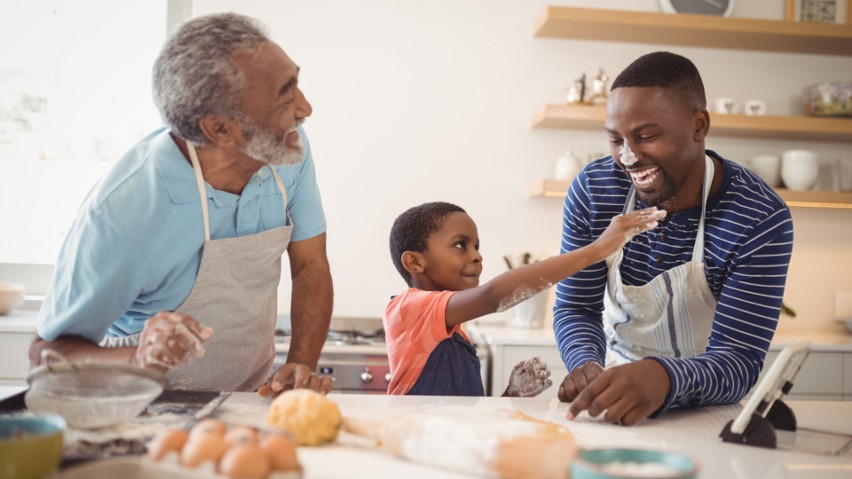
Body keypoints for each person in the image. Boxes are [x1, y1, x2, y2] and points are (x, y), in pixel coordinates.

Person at [28, 13, 333, 395]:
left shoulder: (287, 151)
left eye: (295, 82)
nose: (305, 108)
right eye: (285, 95)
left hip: (244, 402)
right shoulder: (122, 213)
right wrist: (139, 357)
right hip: (141, 413)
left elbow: (310, 266)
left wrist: (300, 363)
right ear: (220, 129)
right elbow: (45, 354)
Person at [554, 51, 795, 425]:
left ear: (699, 125)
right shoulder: (594, 191)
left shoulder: (758, 216)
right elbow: (576, 307)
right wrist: (586, 364)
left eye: (646, 136)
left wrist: (663, 377)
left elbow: (738, 359)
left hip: (709, 411)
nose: (628, 157)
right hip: (612, 400)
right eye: (616, 140)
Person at [385, 201, 664, 396]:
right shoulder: (408, 308)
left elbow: (465, 415)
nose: (477, 255)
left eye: (477, 246)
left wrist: (510, 396)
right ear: (414, 262)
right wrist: (597, 249)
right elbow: (493, 296)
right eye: (461, 244)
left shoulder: (455, 333)